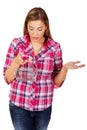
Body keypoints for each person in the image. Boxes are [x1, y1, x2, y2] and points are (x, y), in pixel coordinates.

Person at [3, 7, 85, 130]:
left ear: (46, 27)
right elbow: (7, 78)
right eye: (31, 29)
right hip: (19, 106)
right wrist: (16, 62)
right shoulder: (16, 44)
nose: (35, 33)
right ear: (26, 26)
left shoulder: (54, 47)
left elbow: (55, 83)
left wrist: (64, 69)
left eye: (39, 29)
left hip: (44, 107)